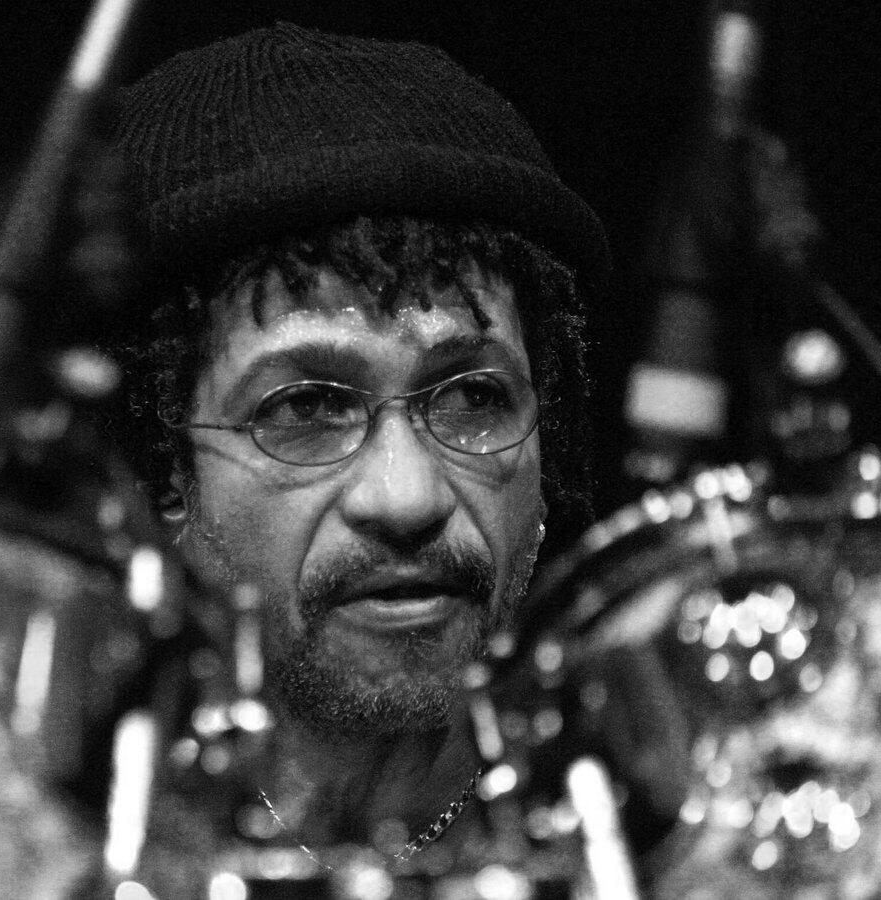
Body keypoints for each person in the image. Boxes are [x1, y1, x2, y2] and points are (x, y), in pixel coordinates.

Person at [102, 21, 610, 866]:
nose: (407, 497)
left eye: (473, 397)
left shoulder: (658, 840)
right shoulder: (24, 845)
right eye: (305, 408)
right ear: (158, 473)